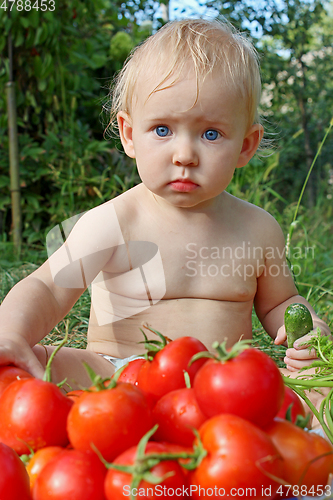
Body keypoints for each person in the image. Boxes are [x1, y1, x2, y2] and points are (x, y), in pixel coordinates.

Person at [0, 19, 330, 410]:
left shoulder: (258, 230)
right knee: (32, 363)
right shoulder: (112, 222)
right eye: (161, 129)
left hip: (221, 384)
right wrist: (10, 333)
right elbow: (49, 287)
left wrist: (310, 334)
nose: (184, 155)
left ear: (246, 145)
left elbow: (281, 303)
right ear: (128, 134)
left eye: (210, 134)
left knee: (320, 376)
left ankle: (312, 451)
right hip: (113, 375)